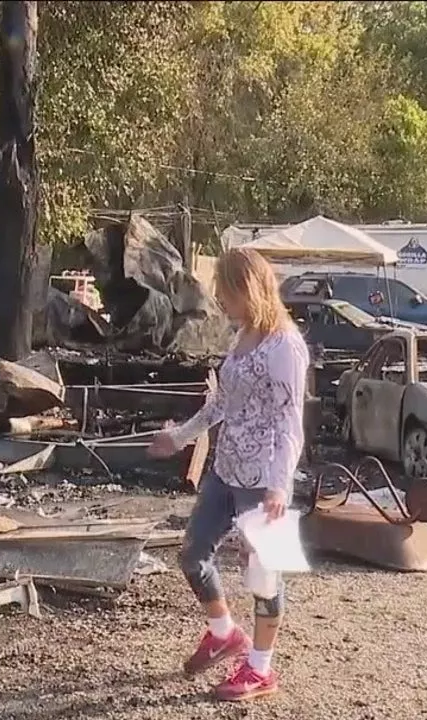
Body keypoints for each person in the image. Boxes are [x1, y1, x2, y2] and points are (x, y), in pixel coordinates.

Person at [147, 247, 308, 702]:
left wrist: (280, 483)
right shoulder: (242, 337)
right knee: (194, 552)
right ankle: (223, 632)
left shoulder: (285, 347)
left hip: (263, 479)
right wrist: (178, 438)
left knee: (263, 574)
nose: (222, 302)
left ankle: (260, 669)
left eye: (226, 293)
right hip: (226, 470)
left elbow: (289, 423)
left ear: (248, 289)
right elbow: (220, 405)